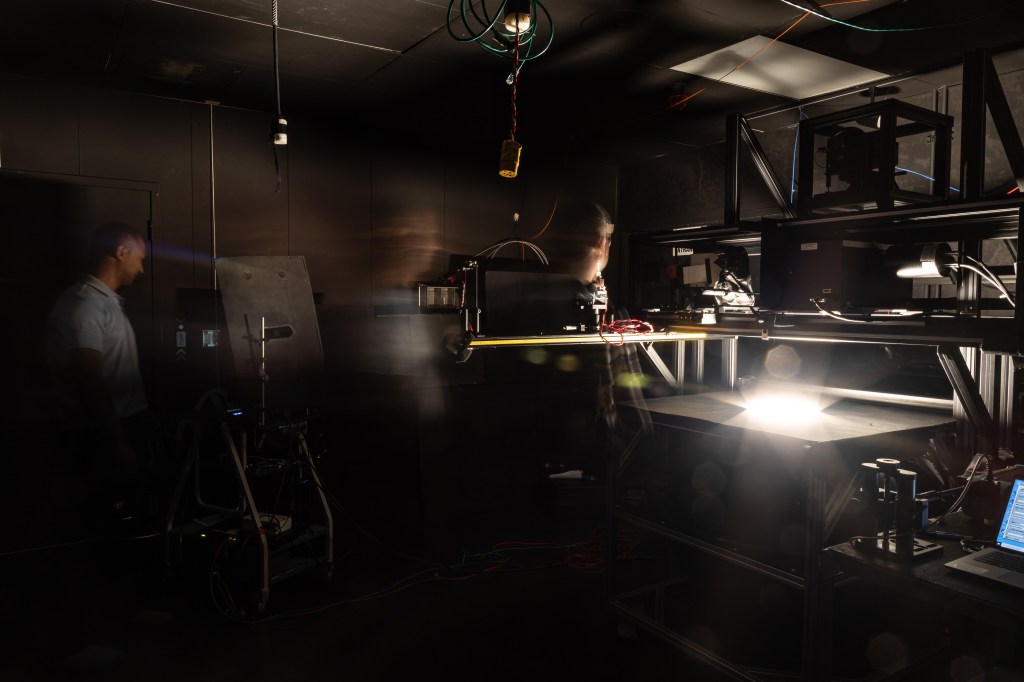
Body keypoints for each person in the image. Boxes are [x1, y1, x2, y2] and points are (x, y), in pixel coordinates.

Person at [46, 222, 156, 529]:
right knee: (107, 522)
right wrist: (119, 442)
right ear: (121, 252)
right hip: (102, 435)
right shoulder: (86, 306)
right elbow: (88, 377)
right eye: (139, 258)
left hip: (120, 428)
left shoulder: (103, 303)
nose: (142, 269)